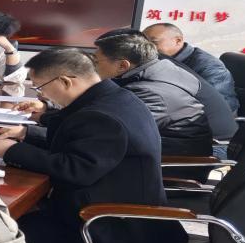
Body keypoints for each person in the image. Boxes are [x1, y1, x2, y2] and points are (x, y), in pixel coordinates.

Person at [0, 49, 187, 243]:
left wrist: (12, 151)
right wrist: (27, 134)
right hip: (115, 212)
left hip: (112, 225)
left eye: (41, 87)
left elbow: (76, 169)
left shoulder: (100, 116)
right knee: (14, 220)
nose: (42, 95)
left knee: (4, 233)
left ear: (65, 81)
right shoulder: (116, 98)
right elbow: (79, 143)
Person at [92, 29, 225, 156]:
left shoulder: (150, 93)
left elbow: (112, 130)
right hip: (156, 152)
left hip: (172, 163)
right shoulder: (159, 72)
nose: (92, 66)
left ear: (123, 66)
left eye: (96, 62)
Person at [144, 22, 239, 113]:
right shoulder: (156, 59)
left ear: (178, 41)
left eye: (153, 42)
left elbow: (218, 106)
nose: (146, 47)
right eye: (143, 42)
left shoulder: (210, 67)